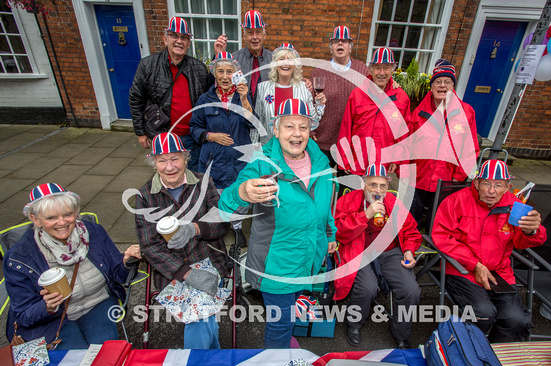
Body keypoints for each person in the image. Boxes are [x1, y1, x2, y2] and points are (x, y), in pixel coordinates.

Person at [219, 98, 337, 348]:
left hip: (308, 258)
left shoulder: (322, 164)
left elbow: (324, 209)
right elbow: (226, 208)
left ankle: (283, 344)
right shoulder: (262, 164)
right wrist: (242, 192)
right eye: (289, 127)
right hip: (275, 266)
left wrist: (329, 235)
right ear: (275, 129)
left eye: (302, 127)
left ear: (310, 130)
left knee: (291, 310)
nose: (297, 134)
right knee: (281, 322)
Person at [4, 183, 141, 349]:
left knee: (104, 353)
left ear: (76, 212)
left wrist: (126, 263)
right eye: (51, 218)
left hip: (98, 302)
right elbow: (24, 315)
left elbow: (118, 275)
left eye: (67, 214)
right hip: (54, 319)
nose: (62, 222)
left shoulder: (94, 232)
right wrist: (46, 306)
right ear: (36, 219)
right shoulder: (19, 258)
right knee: (73, 359)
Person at [432, 159, 546, 342]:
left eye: (498, 185)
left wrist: (531, 230)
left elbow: (523, 241)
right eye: (486, 184)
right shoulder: (456, 200)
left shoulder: (515, 206)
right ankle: (466, 353)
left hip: (500, 273)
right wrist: (474, 264)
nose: (492, 191)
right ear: (477, 183)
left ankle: (496, 357)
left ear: (507, 187)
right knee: (483, 314)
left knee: (516, 320)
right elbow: (442, 236)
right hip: (463, 270)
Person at [134, 132, 230, 349]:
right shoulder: (144, 196)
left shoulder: (205, 183)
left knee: (201, 314)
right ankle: (201, 361)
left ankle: (196, 363)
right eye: (162, 160)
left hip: (209, 261)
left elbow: (222, 222)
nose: (169, 167)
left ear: (186, 158)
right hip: (171, 271)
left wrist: (195, 228)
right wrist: (187, 273)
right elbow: (149, 245)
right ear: (154, 163)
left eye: (175, 158)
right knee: (202, 314)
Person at [334, 164, 422, 349]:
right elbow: (338, 232)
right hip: (360, 250)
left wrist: (408, 250)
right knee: (367, 287)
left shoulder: (392, 201)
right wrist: (365, 215)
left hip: (389, 251)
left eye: (383, 186)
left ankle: (401, 333)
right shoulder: (349, 200)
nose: (378, 190)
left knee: (410, 289)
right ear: (363, 183)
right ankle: (354, 324)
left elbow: (411, 231)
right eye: (373, 185)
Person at [129, 17, 210, 171]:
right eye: (174, 36)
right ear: (165, 39)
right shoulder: (148, 65)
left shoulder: (198, 68)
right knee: (169, 175)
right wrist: (140, 132)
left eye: (184, 38)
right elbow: (136, 99)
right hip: (164, 136)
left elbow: (208, 98)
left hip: (192, 136)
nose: (179, 41)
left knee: (194, 176)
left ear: (188, 43)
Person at [408, 59, 479, 231]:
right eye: (438, 82)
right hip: (419, 177)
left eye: (447, 82)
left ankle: (434, 249)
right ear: (431, 87)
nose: (442, 86)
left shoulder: (466, 112)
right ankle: (409, 247)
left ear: (453, 87)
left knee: (439, 219)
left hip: (447, 177)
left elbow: (470, 149)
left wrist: (459, 176)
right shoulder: (418, 111)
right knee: (412, 217)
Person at [336, 48, 411, 176]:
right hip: (358, 162)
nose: (381, 73)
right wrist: (344, 159)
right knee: (353, 196)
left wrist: (397, 159)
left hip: (383, 164)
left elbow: (404, 134)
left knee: (377, 196)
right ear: (370, 69)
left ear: (392, 70)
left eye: (386, 67)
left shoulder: (401, 99)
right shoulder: (358, 94)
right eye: (377, 67)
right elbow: (346, 128)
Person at [190, 52, 253, 189]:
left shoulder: (243, 96)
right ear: (215, 74)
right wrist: (210, 136)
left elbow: (253, 124)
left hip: (240, 162)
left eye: (229, 72)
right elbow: (194, 127)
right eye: (220, 71)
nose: (225, 76)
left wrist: (244, 100)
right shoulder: (205, 99)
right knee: (215, 204)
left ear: (235, 75)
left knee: (239, 204)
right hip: (214, 164)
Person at [309, 26, 370, 165]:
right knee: (321, 183)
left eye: (345, 41)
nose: (340, 44)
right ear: (331, 48)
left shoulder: (362, 70)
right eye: (336, 41)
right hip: (323, 141)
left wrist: (392, 82)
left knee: (347, 185)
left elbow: (375, 94)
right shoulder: (320, 71)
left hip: (351, 142)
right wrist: (311, 131)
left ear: (350, 47)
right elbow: (308, 103)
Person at [254, 43, 326, 145]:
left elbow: (312, 119)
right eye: (281, 59)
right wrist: (255, 148)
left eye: (290, 60)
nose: (286, 63)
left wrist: (319, 104)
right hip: (268, 148)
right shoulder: (262, 88)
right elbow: (257, 121)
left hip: (294, 148)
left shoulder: (304, 88)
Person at [214, 10, 272, 108]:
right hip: (241, 116)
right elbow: (218, 86)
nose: (254, 37)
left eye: (258, 32)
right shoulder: (233, 60)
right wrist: (219, 56)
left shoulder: (274, 60)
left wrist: (306, 84)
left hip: (266, 116)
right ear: (244, 36)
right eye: (250, 33)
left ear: (264, 35)